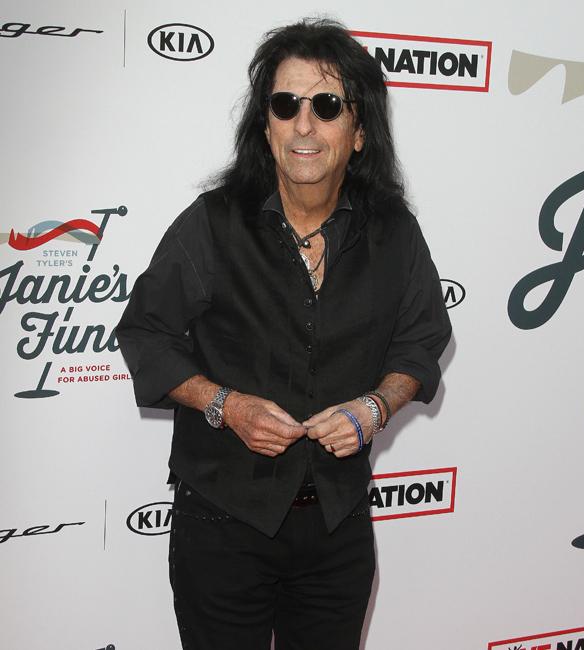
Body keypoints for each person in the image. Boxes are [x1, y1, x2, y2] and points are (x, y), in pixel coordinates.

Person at [116, 17, 451, 650]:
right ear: (265, 125)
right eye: (285, 104)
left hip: (337, 528)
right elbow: (146, 333)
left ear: (358, 132)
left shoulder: (394, 233)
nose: (303, 125)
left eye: (327, 106)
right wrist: (225, 404)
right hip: (222, 525)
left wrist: (376, 407)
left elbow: (420, 341)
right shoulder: (212, 224)